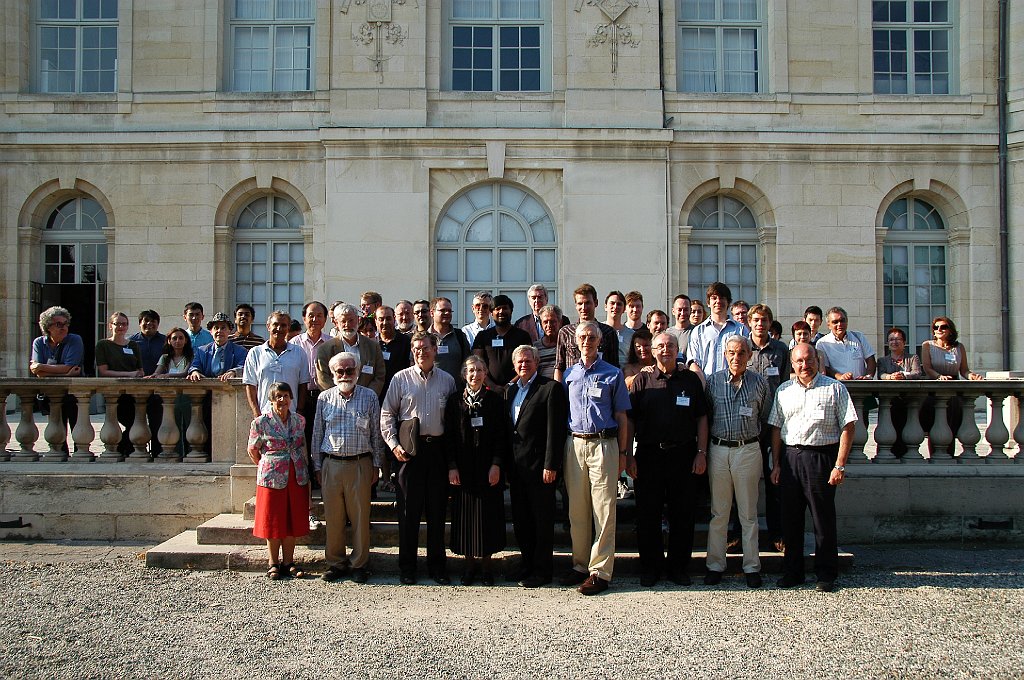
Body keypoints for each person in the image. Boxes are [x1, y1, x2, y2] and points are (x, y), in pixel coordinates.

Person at [769, 343, 856, 593]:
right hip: (791, 458)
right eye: (799, 361)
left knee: (822, 519)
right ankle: (793, 572)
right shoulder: (784, 390)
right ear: (792, 364)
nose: (804, 365)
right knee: (790, 520)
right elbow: (776, 427)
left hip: (821, 458)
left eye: (809, 360)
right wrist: (776, 464)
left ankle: (826, 573)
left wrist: (839, 465)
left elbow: (849, 426)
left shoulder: (834, 388)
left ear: (817, 361)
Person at [627, 332, 708, 587]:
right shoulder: (642, 380)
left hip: (683, 455)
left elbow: (702, 417)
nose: (666, 350)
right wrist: (628, 455)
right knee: (647, 514)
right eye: (660, 346)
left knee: (682, 514)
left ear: (677, 350)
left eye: (670, 345)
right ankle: (650, 567)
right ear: (652, 351)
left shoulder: (690, 380)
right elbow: (630, 421)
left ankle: (678, 567)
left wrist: (701, 453)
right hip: (649, 454)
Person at [380, 331, 458, 585]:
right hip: (409, 453)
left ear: (435, 350)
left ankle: (437, 566)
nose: (421, 352)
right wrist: (393, 445)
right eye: (416, 348)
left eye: (425, 348)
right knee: (408, 513)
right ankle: (408, 567)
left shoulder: (447, 381)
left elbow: (453, 423)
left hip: (437, 452)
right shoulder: (400, 379)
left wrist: (451, 461)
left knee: (437, 511)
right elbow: (387, 414)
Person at [560, 320, 630, 595]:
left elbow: (622, 416)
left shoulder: (613, 373)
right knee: (577, 510)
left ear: (599, 341)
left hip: (604, 445)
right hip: (575, 444)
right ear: (576, 342)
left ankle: (600, 571)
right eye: (582, 337)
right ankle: (580, 565)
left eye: (591, 337)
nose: (587, 341)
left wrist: (623, 453)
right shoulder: (569, 375)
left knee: (604, 509)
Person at [312, 352, 387, 585]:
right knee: (333, 518)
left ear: (358, 371)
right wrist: (317, 466)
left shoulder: (369, 397)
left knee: (360, 518)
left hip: (360, 464)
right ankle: (336, 563)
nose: (345, 375)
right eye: (340, 371)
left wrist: (377, 465)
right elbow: (317, 433)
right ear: (333, 374)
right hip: (331, 464)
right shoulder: (324, 398)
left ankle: (359, 564)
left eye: (349, 370)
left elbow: (377, 434)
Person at [703, 336, 771, 588]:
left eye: (741, 352)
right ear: (725, 355)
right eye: (731, 352)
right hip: (719, 450)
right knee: (719, 512)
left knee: (748, 514)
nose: (736, 357)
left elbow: (765, 416)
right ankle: (715, 565)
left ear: (749, 355)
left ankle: (751, 566)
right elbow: (708, 415)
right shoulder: (713, 382)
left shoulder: (759, 383)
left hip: (748, 450)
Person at [506, 345, 568, 588]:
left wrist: (551, 464)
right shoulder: (511, 390)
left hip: (541, 468)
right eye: (520, 361)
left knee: (541, 522)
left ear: (537, 362)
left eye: (528, 361)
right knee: (522, 520)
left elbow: (555, 430)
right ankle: (527, 564)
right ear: (514, 365)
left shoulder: (550, 388)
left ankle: (542, 570)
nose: (524, 365)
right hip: (517, 468)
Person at [445, 356, 509, 586]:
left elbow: (502, 435)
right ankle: (469, 565)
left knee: (487, 517)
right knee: (466, 517)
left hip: (487, 467)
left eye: (480, 370)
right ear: (464, 374)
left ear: (485, 374)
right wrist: (452, 466)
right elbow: (449, 436)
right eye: (471, 370)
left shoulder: (495, 401)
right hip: (463, 469)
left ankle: (487, 567)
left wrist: (497, 464)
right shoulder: (454, 401)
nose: (475, 374)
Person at [247, 381, 310, 580]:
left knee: (292, 519)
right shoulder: (260, 422)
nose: (282, 400)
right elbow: (253, 450)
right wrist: (267, 464)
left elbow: (302, 445)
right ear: (271, 400)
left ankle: (288, 562)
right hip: (271, 476)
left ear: (291, 398)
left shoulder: (299, 420)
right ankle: (273, 563)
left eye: (286, 396)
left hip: (296, 474)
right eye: (278, 397)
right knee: (273, 520)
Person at [746, 304, 790, 552]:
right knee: (743, 482)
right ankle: (738, 533)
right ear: (749, 323)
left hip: (773, 425)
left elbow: (785, 384)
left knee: (775, 478)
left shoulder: (780, 350)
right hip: (747, 425)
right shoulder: (742, 347)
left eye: (764, 320)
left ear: (770, 323)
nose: (760, 324)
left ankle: (778, 533)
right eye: (756, 320)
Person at [920, 316, 984, 457]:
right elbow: (927, 368)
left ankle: (949, 455)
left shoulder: (959, 347)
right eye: (936, 327)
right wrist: (939, 377)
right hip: (934, 388)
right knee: (934, 423)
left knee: (952, 424)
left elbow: (964, 370)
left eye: (943, 327)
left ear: (950, 330)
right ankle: (935, 456)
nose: (939, 330)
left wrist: (972, 376)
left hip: (954, 389)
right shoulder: (927, 345)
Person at [30, 306, 85, 452]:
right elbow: (38, 373)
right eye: (59, 324)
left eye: (66, 324)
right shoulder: (39, 343)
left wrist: (42, 367)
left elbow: (69, 366)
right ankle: (60, 455)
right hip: (52, 392)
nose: (64, 328)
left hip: (74, 392)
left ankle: (80, 457)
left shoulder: (75, 340)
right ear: (48, 326)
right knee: (57, 431)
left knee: (78, 430)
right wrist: (66, 375)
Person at [242, 311, 309, 420]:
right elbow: (250, 385)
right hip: (265, 415)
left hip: (291, 415)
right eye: (275, 324)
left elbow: (303, 384)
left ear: (288, 328)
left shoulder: (299, 352)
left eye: (283, 325)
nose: (279, 328)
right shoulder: (255, 353)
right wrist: (256, 413)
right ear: (268, 326)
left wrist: (299, 412)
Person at [375, 305, 412, 494]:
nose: (385, 322)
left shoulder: (405, 341)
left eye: (388, 318)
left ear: (394, 320)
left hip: (401, 397)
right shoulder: (372, 344)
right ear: (376, 321)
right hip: (377, 397)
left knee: (399, 437)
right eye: (381, 319)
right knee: (380, 439)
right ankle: (385, 478)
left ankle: (398, 477)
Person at [290, 301, 330, 473]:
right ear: (304, 318)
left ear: (325, 319)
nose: (315, 319)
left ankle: (322, 475)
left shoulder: (332, 343)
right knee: (303, 438)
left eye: (319, 316)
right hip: (302, 397)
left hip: (325, 397)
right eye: (311, 316)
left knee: (324, 436)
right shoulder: (294, 344)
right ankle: (306, 476)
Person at [96, 311, 144, 456]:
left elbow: (140, 369)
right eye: (117, 324)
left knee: (135, 422)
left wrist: (136, 374)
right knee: (124, 420)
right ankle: (120, 448)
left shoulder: (133, 345)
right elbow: (103, 371)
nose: (121, 327)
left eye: (124, 324)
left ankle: (125, 449)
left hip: (133, 391)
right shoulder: (103, 345)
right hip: (114, 391)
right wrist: (129, 374)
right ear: (110, 325)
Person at [553, 283, 620, 382]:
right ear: (576, 305)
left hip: (601, 385)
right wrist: (558, 389)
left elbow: (614, 366)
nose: (584, 307)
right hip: (573, 387)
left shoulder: (608, 332)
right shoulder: (565, 332)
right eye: (580, 303)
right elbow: (559, 366)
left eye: (587, 303)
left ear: (596, 303)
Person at [315, 304, 385, 397]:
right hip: (336, 401)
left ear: (358, 320)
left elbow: (379, 376)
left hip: (366, 400)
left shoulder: (373, 347)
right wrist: (339, 397)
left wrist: (367, 396)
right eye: (343, 321)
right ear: (336, 323)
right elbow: (322, 378)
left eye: (351, 320)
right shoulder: (325, 349)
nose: (347, 325)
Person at [686, 281, 749, 379]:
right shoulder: (698, 331)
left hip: (734, 384)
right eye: (714, 298)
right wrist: (702, 384)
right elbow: (693, 362)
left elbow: (747, 360)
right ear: (708, 303)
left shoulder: (741, 329)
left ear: (728, 302)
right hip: (706, 384)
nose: (718, 301)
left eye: (722, 298)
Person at [877, 326, 923, 457]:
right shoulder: (882, 360)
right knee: (888, 426)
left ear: (904, 342)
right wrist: (890, 377)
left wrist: (903, 376)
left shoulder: (913, 358)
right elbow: (881, 374)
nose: (894, 342)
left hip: (908, 399)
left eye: (898, 339)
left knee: (906, 427)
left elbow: (917, 373)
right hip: (889, 400)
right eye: (891, 339)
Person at [472, 294, 531, 394]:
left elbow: (529, 363)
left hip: (518, 389)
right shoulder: (482, 336)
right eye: (497, 309)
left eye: (505, 308)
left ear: (511, 311)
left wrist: (510, 385)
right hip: (488, 391)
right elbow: (477, 363)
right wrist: (492, 386)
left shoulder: (523, 336)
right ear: (491, 313)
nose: (501, 311)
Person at [151, 327, 194, 455]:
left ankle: (188, 453)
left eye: (181, 338)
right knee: (172, 425)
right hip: (169, 397)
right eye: (174, 338)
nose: (178, 341)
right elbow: (157, 372)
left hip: (186, 396)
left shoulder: (190, 356)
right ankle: (175, 453)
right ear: (169, 341)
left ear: (186, 340)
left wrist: (168, 375)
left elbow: (185, 373)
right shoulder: (165, 358)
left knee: (187, 425)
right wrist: (153, 376)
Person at [130, 309, 167, 453]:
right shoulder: (131, 342)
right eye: (146, 321)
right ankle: (135, 451)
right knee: (135, 422)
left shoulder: (165, 341)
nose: (149, 324)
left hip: (159, 390)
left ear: (158, 324)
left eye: (153, 321)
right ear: (140, 323)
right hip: (136, 389)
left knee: (157, 423)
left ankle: (157, 452)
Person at [817, 306, 876, 380]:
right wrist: (840, 376)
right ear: (828, 325)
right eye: (835, 322)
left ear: (847, 321)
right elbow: (824, 368)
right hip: (836, 384)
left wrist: (868, 376)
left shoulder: (859, 337)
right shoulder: (822, 343)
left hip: (860, 384)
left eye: (842, 320)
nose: (839, 324)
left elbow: (870, 359)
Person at [187, 312, 248, 381]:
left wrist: (233, 372)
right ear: (211, 331)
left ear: (229, 331)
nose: (219, 331)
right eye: (216, 328)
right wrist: (195, 372)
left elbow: (243, 367)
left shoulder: (240, 351)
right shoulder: (201, 351)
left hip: (229, 387)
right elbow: (194, 366)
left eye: (223, 328)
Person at [428, 296, 472, 383]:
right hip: (430, 387)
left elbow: (468, 363)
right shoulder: (425, 337)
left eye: (449, 310)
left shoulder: (460, 336)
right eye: (443, 310)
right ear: (432, 313)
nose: (447, 313)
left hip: (455, 388)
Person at [603, 290, 633, 367]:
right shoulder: (598, 330)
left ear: (624, 309)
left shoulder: (631, 335)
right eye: (612, 303)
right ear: (605, 307)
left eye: (619, 304)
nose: (615, 307)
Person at [532, 304, 562, 379]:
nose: (549, 325)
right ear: (541, 324)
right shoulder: (535, 347)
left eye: (552, 321)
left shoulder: (565, 345)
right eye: (545, 322)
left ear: (560, 322)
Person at [667, 294, 692, 359]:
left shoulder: (697, 332)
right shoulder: (667, 333)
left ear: (690, 311)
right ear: (673, 311)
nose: (682, 313)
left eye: (686, 309)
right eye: (679, 309)